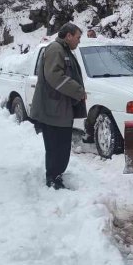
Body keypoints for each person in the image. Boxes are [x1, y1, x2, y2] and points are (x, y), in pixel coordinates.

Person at [30, 23, 87, 189]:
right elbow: (55, 77)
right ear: (68, 36)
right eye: (77, 37)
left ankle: (56, 176)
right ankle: (53, 180)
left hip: (59, 109)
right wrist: (78, 91)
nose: (78, 41)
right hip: (52, 110)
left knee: (61, 146)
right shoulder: (56, 49)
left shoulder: (64, 50)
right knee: (56, 147)